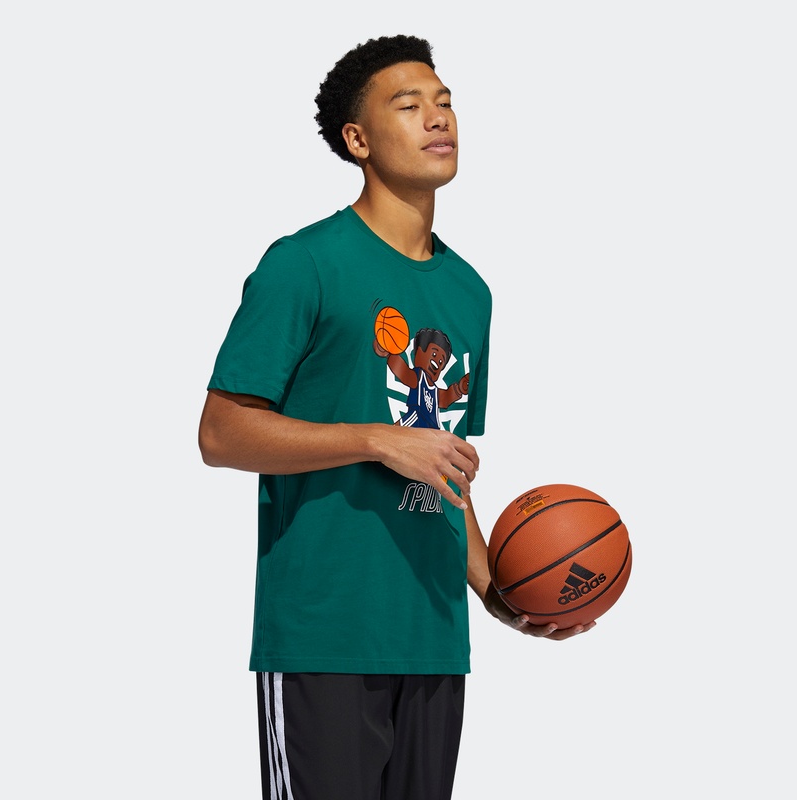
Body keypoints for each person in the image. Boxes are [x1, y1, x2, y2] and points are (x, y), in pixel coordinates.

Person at [198, 34, 594, 800]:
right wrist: (378, 440)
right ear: (358, 140)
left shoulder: (469, 291)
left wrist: (498, 592)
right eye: (409, 106)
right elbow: (220, 432)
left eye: (444, 103)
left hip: (434, 636)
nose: (437, 118)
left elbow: (445, 472)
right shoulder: (305, 263)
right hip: (325, 634)